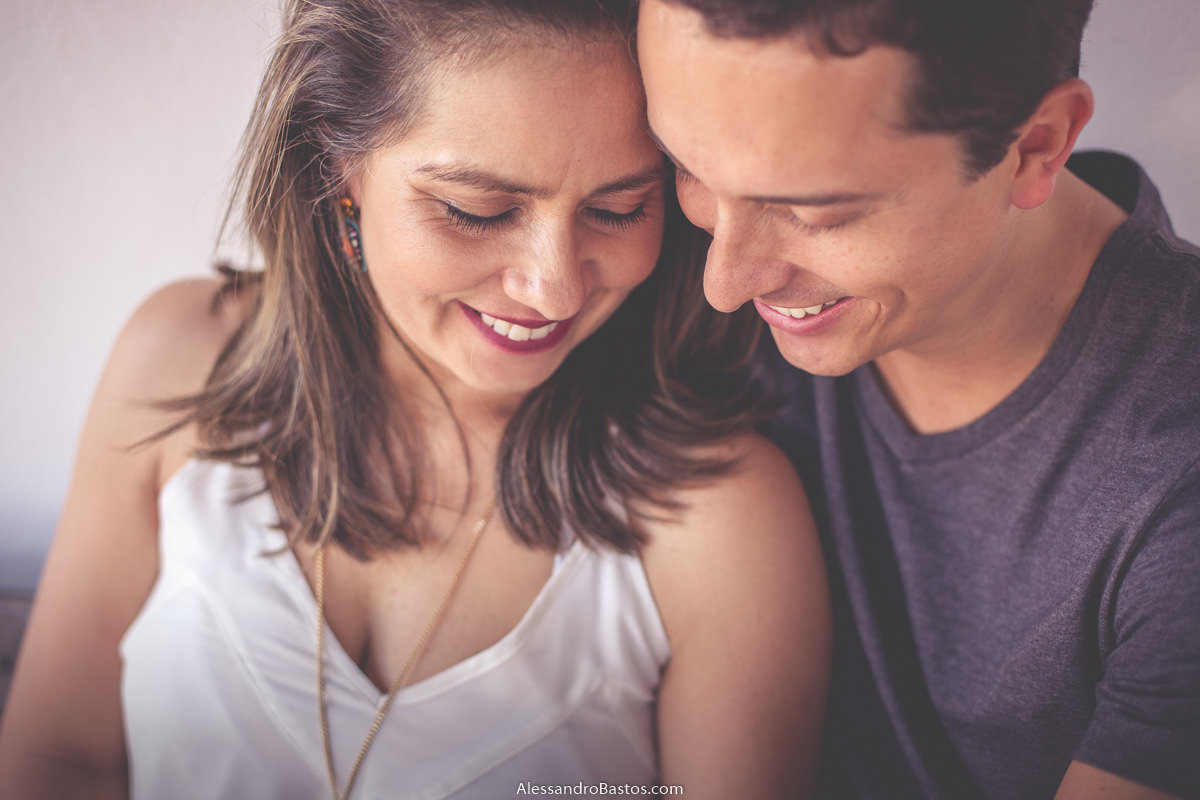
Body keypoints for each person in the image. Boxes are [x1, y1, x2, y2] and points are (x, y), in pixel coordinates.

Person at [0, 1, 832, 797]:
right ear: (340, 168)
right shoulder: (179, 359)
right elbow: (58, 755)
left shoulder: (723, 521)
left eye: (618, 210)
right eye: (477, 210)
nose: (551, 287)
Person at [637, 0, 1200, 798]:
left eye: (812, 211)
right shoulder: (633, 240)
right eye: (684, 167)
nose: (722, 283)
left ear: (1035, 147)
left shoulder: (1177, 477)